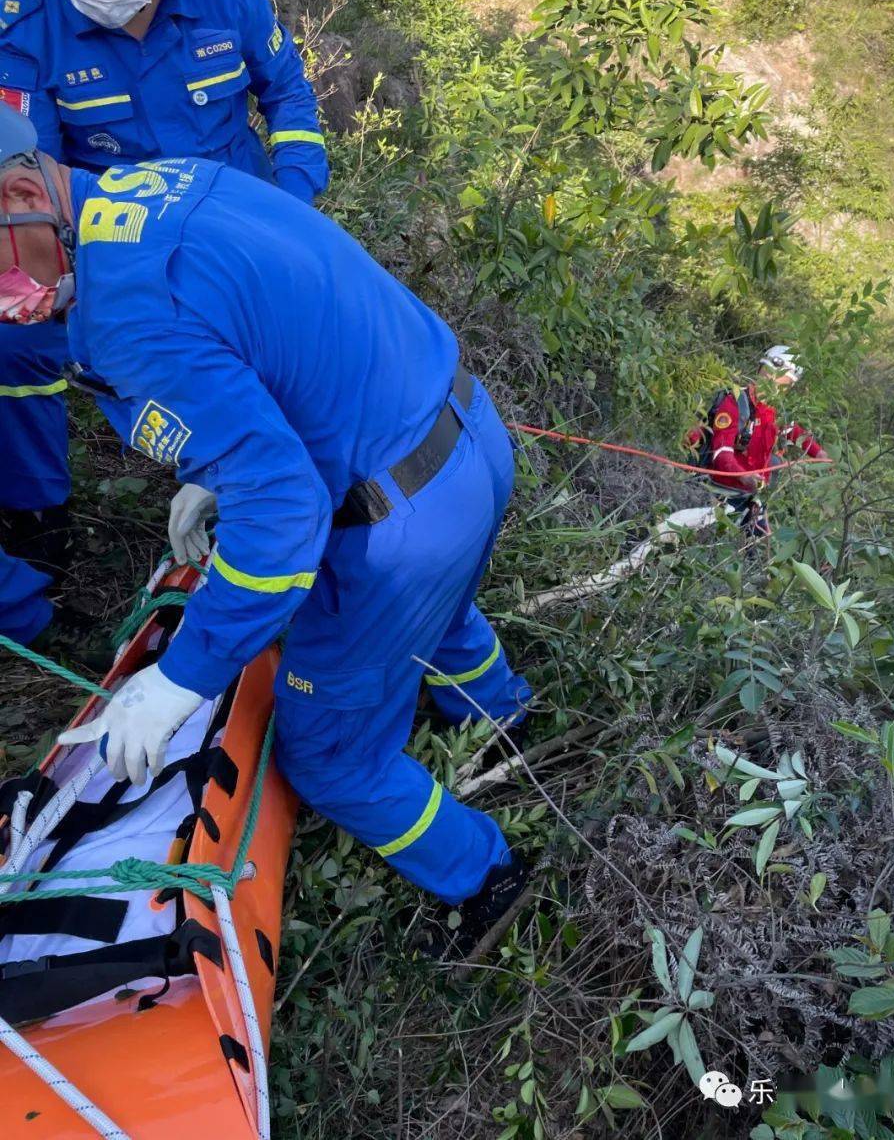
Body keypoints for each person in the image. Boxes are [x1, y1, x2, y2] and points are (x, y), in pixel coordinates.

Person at [0, 109, 531, 950]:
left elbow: (285, 516)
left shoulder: (126, 313)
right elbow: (262, 335)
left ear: (23, 195)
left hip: (398, 528)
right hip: (466, 437)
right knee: (443, 612)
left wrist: (183, 677)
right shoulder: (146, 184)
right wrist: (213, 469)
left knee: (329, 758)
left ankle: (487, 875)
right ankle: (502, 713)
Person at [0, 0, 328, 594]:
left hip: (246, 232)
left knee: (308, 360)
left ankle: (291, 499)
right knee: (15, 345)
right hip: (118, 255)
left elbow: (287, 95)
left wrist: (294, 208)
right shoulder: (23, 33)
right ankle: (41, 525)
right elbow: (32, 184)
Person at [688, 345, 828, 537]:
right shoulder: (736, 403)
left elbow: (792, 431)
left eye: (784, 383)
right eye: (770, 376)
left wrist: (818, 452)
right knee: (720, 539)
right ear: (762, 372)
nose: (775, 385)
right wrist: (744, 476)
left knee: (761, 542)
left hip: (753, 494)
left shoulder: (775, 408)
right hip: (723, 491)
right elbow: (722, 454)